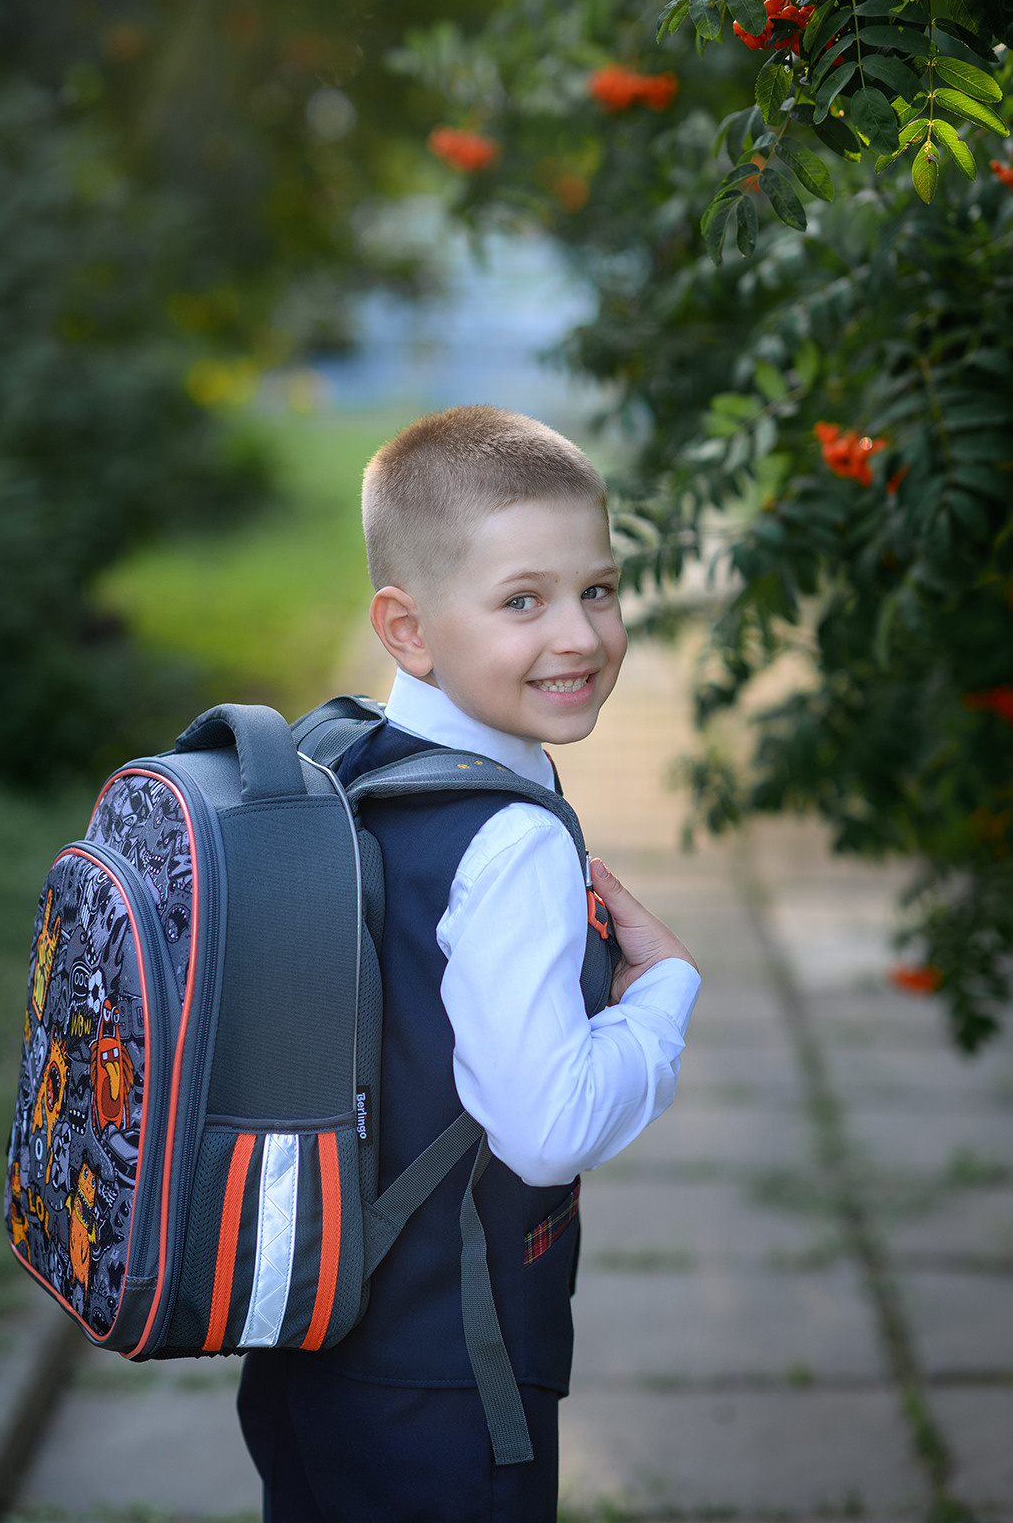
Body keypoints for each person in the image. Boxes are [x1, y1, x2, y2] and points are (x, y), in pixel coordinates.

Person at [237, 404, 700, 1523]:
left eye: (597, 588)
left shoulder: (329, 752)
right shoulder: (510, 839)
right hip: (450, 1370)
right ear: (406, 628)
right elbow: (544, 1127)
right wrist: (664, 994)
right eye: (521, 601)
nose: (581, 636)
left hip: (311, 1340)